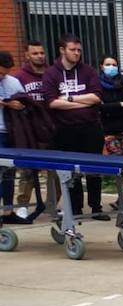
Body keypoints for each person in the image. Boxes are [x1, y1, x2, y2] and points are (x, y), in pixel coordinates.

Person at [40, 33, 106, 221]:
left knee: (94, 169)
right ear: (62, 50)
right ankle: (76, 208)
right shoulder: (51, 73)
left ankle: (96, 207)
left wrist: (69, 99)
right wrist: (83, 103)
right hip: (65, 130)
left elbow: (96, 97)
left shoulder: (88, 71)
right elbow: (52, 102)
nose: (77, 53)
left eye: (78, 50)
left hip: (91, 128)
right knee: (71, 170)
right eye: (72, 50)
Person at [13, 40, 54, 218]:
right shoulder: (19, 77)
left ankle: (52, 205)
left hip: (50, 128)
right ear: (27, 55)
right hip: (30, 130)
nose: (40, 56)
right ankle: (22, 205)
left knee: (55, 170)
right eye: (35, 53)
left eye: (42, 53)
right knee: (28, 170)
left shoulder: (52, 73)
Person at [97, 55, 123, 212]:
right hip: (109, 131)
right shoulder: (97, 86)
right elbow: (99, 107)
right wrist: (119, 105)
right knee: (117, 164)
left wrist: (110, 109)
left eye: (114, 64)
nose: (111, 67)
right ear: (101, 66)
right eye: (108, 64)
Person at [0, 52, 25, 221]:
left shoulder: (13, 82)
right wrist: (6, 103)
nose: (2, 76)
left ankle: (8, 211)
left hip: (10, 132)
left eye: (5, 73)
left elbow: (24, 101)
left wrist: (19, 105)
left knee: (9, 173)